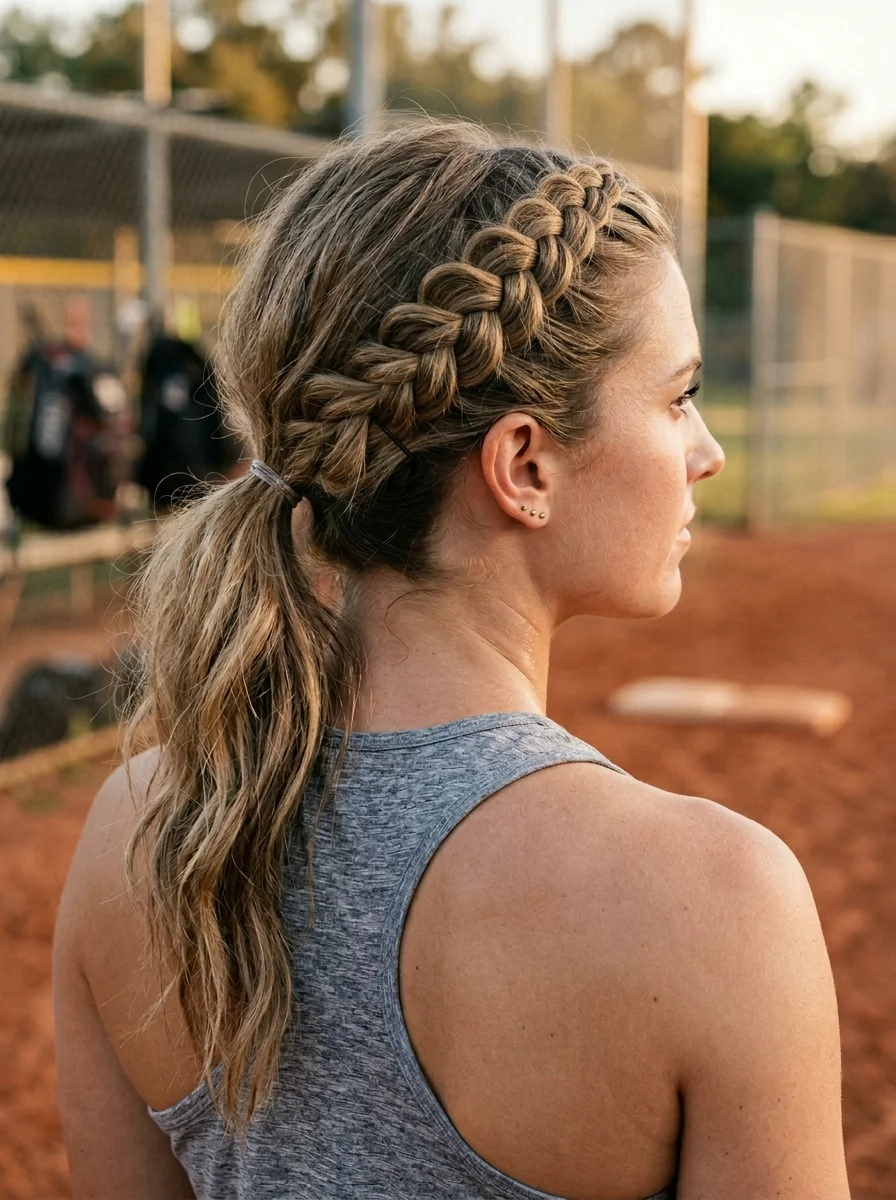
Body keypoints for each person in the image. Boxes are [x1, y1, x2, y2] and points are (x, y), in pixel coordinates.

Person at [53, 124, 850, 1200]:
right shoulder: (713, 906)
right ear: (523, 465)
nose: (704, 451)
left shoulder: (136, 832)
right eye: (675, 397)